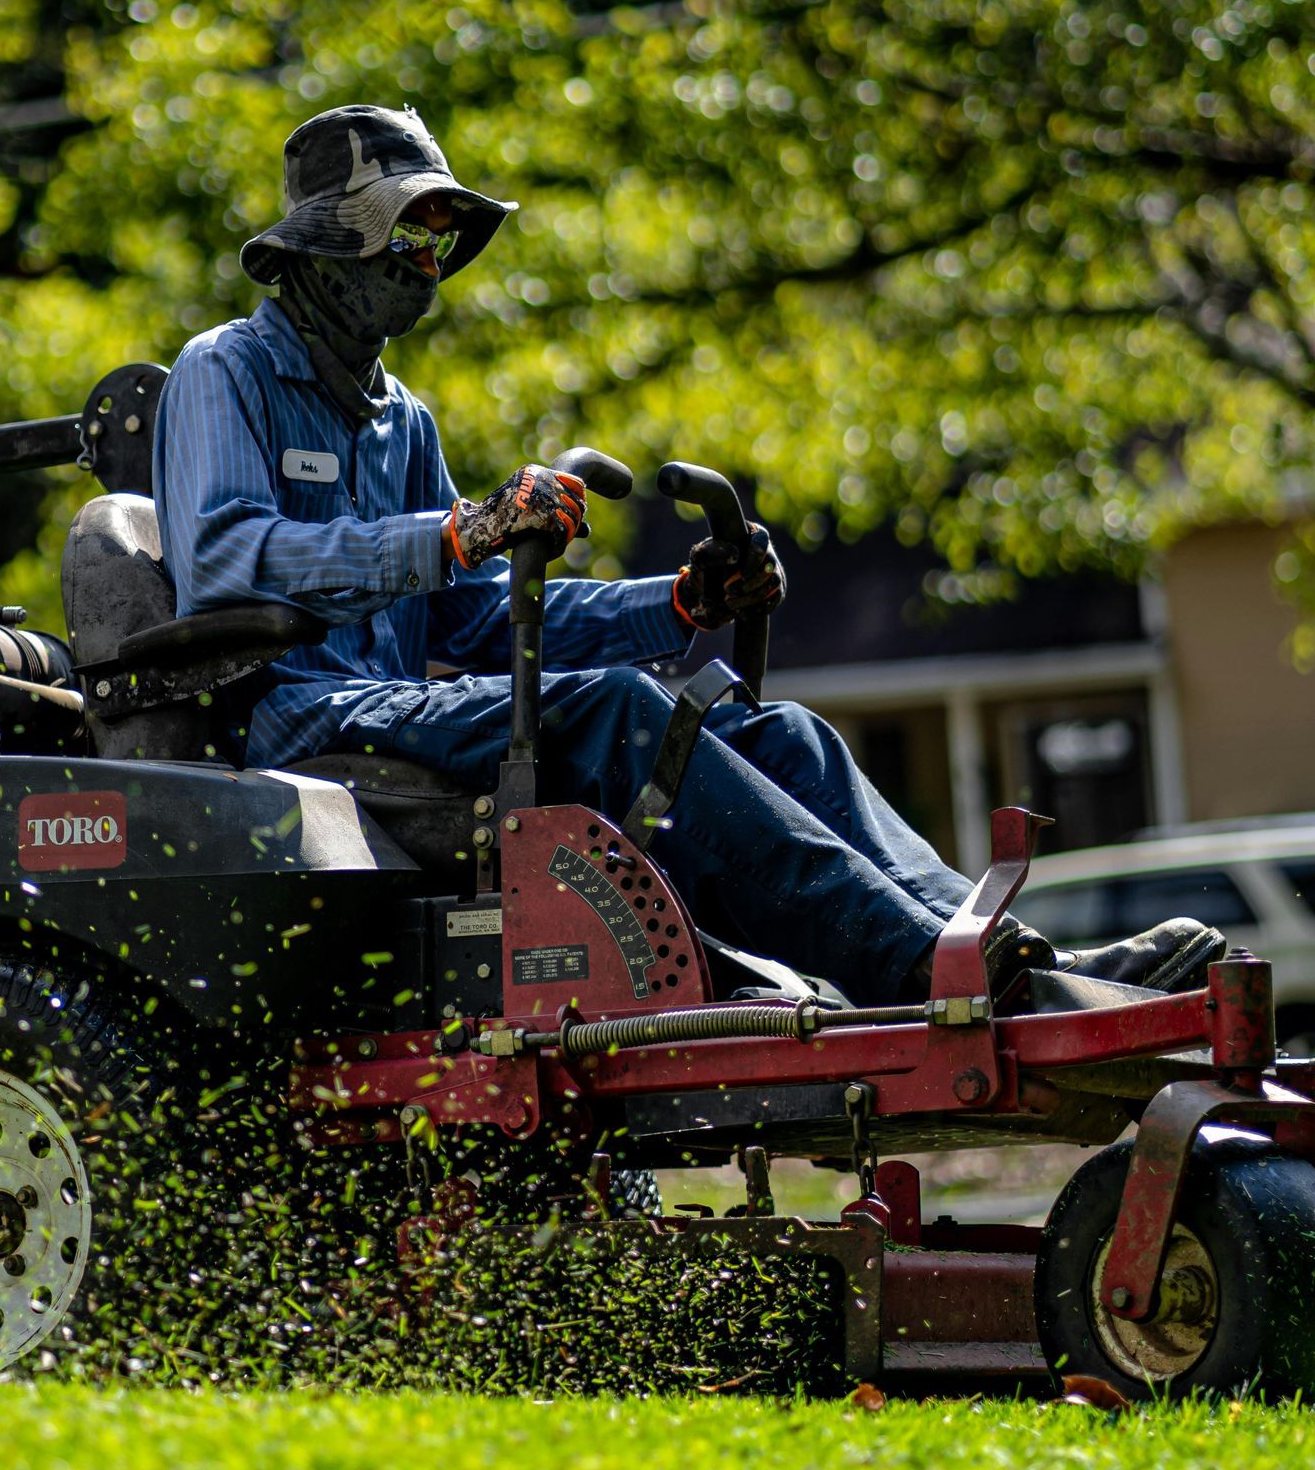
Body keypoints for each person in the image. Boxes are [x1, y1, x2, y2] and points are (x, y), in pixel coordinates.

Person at [153, 103, 1222, 1008]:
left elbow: (476, 619)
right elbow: (226, 559)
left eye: (439, 241)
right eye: (405, 237)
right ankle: (951, 985)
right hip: (301, 722)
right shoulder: (224, 372)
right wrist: (457, 531)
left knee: (778, 731)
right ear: (326, 249)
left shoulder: (404, 419)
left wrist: (674, 604)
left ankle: (1005, 953)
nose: (426, 265)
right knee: (621, 710)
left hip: (401, 710)